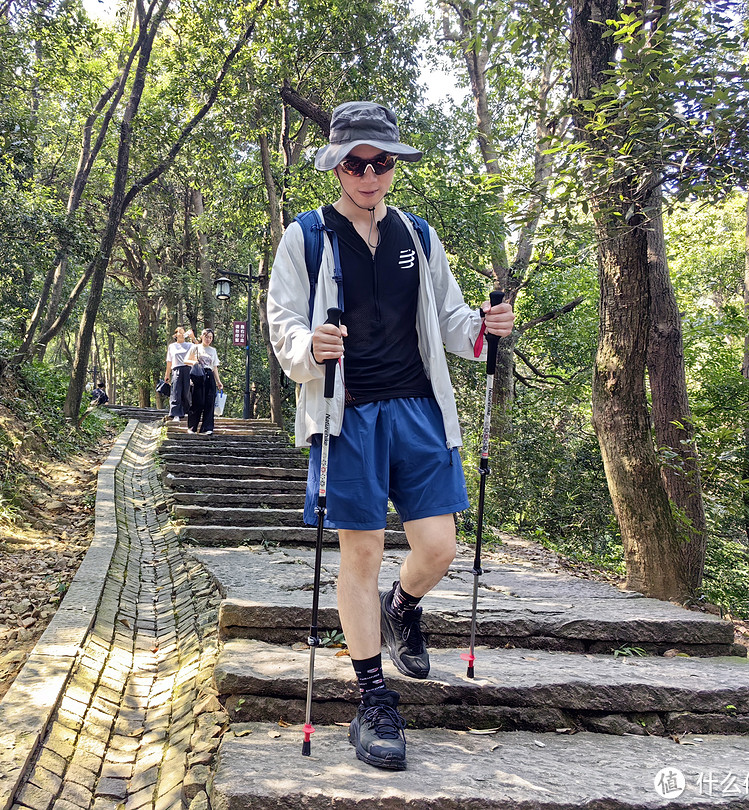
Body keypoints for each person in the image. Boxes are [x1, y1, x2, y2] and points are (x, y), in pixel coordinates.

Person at [266, 101, 515, 771]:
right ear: (337, 166)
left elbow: (455, 323)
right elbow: (282, 320)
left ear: (393, 166)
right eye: (356, 163)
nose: (369, 174)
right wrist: (306, 344)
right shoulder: (308, 235)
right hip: (346, 415)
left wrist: (487, 330)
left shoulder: (419, 236)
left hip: (418, 409)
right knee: (363, 551)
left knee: (438, 548)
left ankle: (402, 608)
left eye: (380, 162)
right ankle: (372, 696)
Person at [184, 328, 224, 434]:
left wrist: (218, 381)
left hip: (209, 375)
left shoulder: (213, 350)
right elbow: (185, 360)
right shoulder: (196, 347)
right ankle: (192, 427)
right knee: (197, 401)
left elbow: (215, 367)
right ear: (202, 336)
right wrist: (194, 363)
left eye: (210, 337)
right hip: (198, 375)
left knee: (209, 402)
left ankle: (207, 428)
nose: (208, 339)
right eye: (206, 337)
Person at [164, 327, 193, 421]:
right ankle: (176, 414)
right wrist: (167, 374)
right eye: (180, 332)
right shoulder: (172, 346)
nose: (182, 334)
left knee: (186, 392)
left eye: (183, 332)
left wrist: (193, 337)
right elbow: (169, 361)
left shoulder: (189, 345)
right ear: (176, 335)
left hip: (188, 369)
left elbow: (199, 348)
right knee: (176, 391)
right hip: (176, 369)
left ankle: (187, 412)